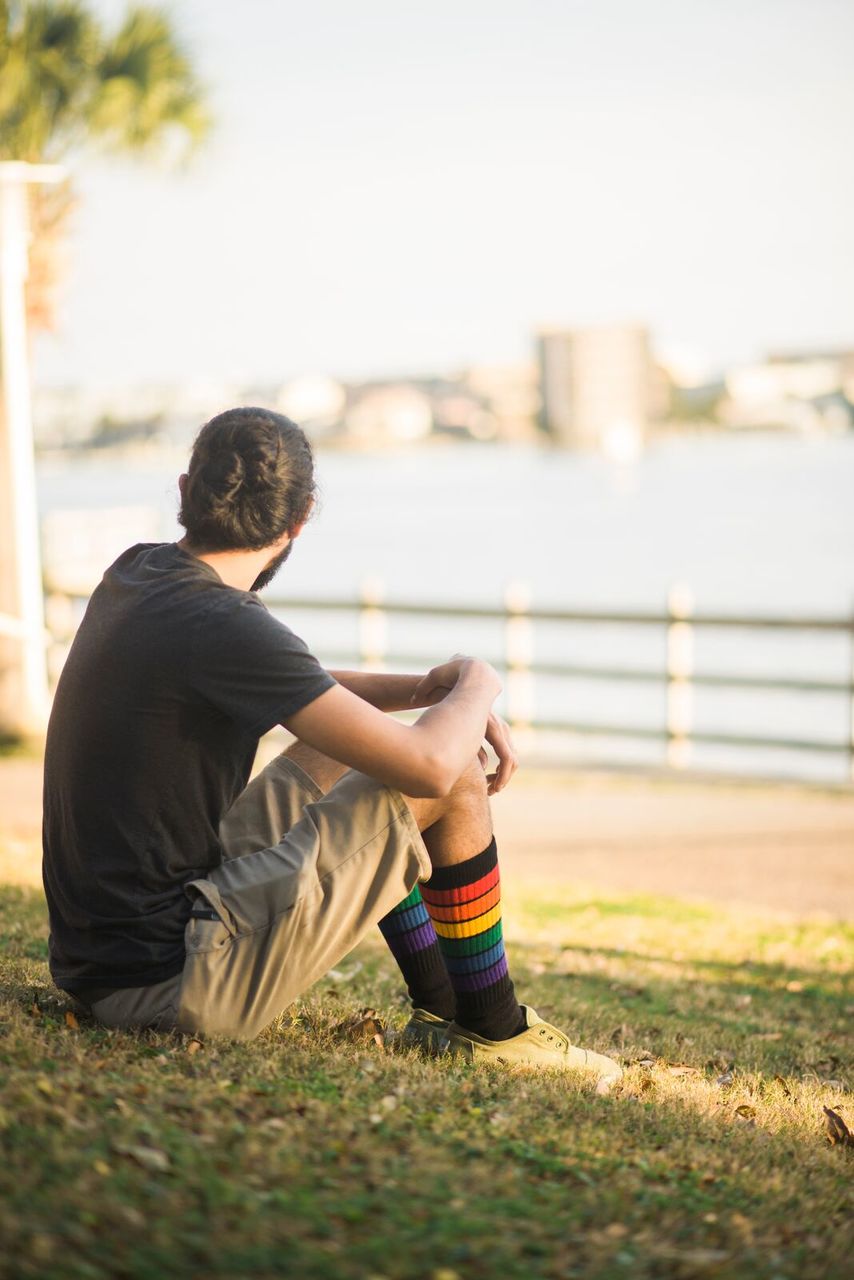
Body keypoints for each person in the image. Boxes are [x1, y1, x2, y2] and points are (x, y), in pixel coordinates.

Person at [42, 407, 621, 1085]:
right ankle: (492, 1027)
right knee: (454, 768)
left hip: (104, 955)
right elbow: (429, 766)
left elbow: (298, 689)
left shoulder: (140, 573)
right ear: (301, 518)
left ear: (183, 491)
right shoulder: (224, 621)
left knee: (353, 749)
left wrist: (428, 688)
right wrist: (480, 682)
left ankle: (439, 1011)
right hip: (174, 977)